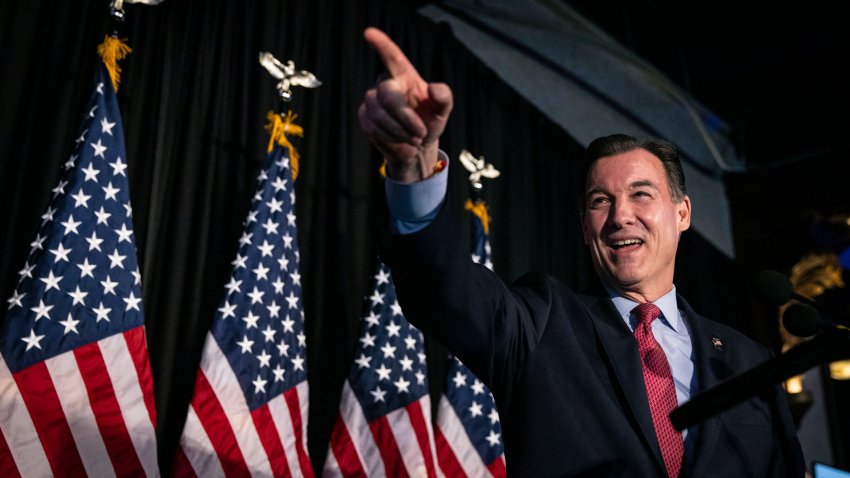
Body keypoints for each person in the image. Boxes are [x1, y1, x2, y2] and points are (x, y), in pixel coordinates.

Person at [358, 27, 805, 477]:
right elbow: (443, 288)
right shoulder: (541, 324)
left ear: (682, 213)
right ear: (583, 224)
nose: (620, 216)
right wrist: (413, 167)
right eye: (600, 201)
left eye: (641, 194)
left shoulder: (748, 361)